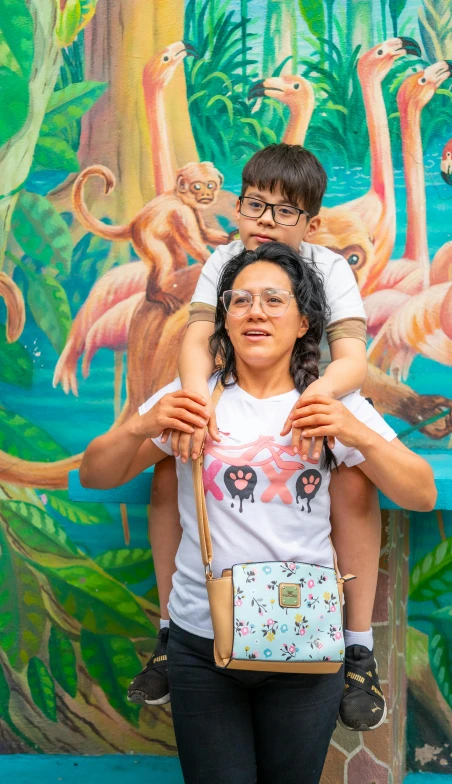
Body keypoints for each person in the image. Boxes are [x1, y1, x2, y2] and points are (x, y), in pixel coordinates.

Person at [81, 244, 435, 782]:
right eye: (240, 300)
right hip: (202, 641)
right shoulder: (195, 397)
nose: (256, 311)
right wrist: (138, 424)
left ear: (304, 323)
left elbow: (421, 493)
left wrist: (356, 432)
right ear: (224, 317)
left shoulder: (332, 404)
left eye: (274, 300)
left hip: (305, 639)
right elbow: (96, 475)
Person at [127, 144, 381, 730]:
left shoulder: (329, 267)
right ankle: (173, 632)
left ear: (311, 224)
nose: (265, 220)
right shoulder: (224, 261)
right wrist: (194, 403)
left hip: (316, 387)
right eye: (256, 206)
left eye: (284, 211)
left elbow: (352, 360)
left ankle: (359, 647)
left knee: (356, 477)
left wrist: (318, 401)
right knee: (172, 466)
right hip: (232, 383)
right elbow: (197, 338)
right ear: (238, 207)